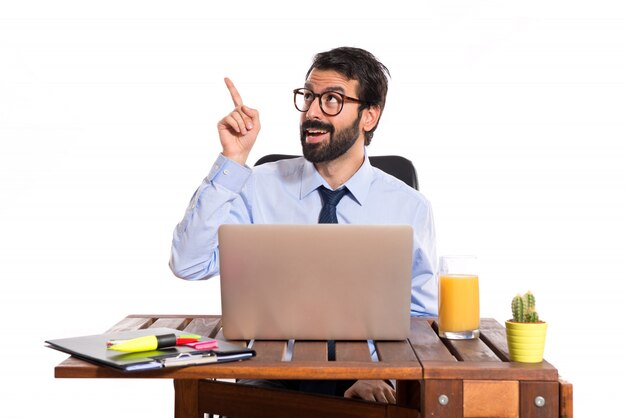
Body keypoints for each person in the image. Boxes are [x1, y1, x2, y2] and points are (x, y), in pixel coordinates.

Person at [169, 46, 437, 404]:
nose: (311, 112)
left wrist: (380, 373)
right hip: (269, 374)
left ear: (369, 116)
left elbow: (422, 317)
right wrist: (232, 161)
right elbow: (188, 263)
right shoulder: (255, 185)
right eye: (308, 96)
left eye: (332, 100)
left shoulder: (409, 207)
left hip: (365, 378)